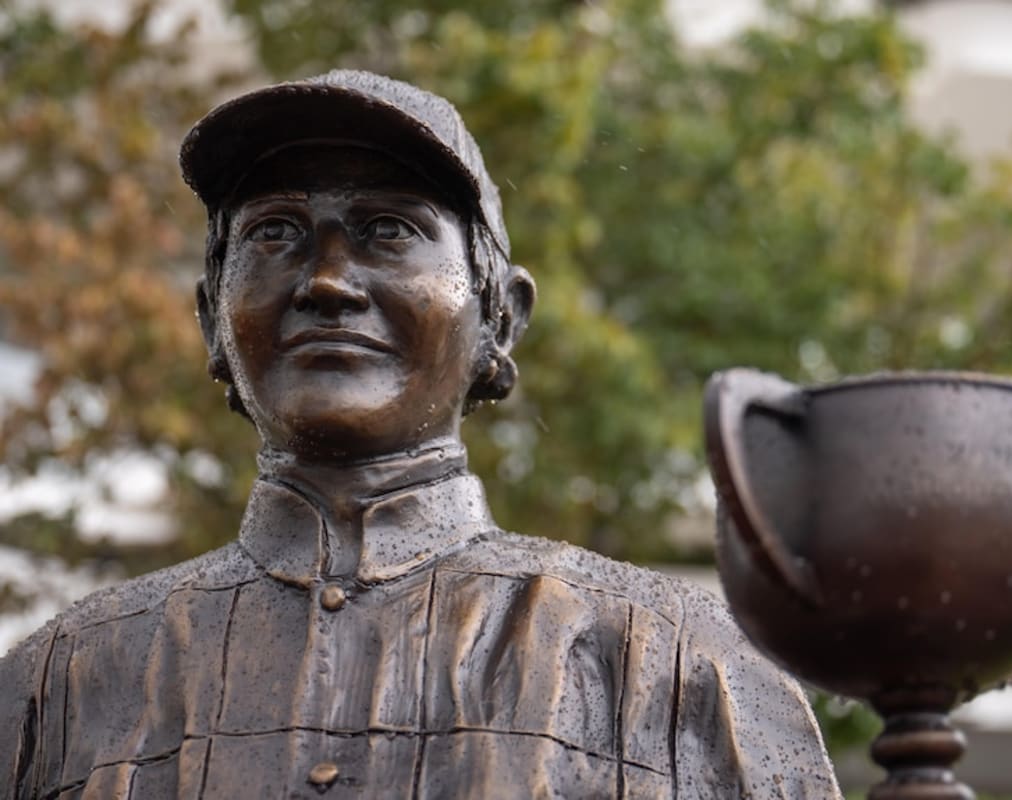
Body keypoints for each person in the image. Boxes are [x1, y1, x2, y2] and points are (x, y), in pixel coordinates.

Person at [0, 70, 840, 799]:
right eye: (275, 233)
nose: (326, 281)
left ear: (501, 316)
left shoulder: (686, 669)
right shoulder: (52, 689)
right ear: (210, 321)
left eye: (390, 230)